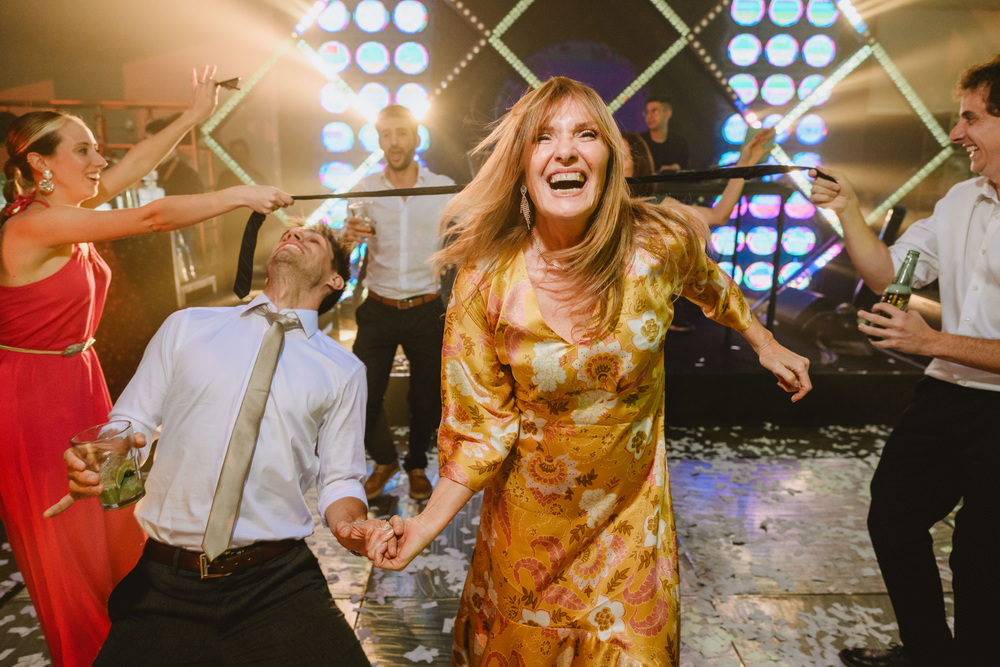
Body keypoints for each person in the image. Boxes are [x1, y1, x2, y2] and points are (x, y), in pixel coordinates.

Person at [364, 77, 812, 665]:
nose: (566, 151)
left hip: (632, 534)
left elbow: (708, 282)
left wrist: (763, 339)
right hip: (525, 546)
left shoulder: (659, 243)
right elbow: (481, 432)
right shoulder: (486, 280)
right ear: (522, 164)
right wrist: (422, 527)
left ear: (609, 159)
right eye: (544, 137)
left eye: (586, 134)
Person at [0, 64, 291, 667]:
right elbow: (152, 216)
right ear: (40, 164)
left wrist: (191, 116)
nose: (100, 158)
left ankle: (147, 648)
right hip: (31, 404)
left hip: (83, 383)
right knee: (73, 556)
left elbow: (134, 171)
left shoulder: (63, 212)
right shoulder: (34, 226)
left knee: (121, 532)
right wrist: (239, 195)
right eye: (84, 149)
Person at [50, 224, 380, 666]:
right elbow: (132, 421)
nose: (294, 235)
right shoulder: (187, 326)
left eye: (313, 239)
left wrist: (350, 528)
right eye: (289, 231)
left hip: (278, 580)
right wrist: (104, 458)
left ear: (335, 280)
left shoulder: (343, 370)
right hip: (166, 580)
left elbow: (340, 479)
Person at [811, 54, 1000, 667]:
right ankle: (928, 654)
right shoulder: (961, 199)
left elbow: (933, 336)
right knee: (892, 515)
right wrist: (847, 211)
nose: (955, 133)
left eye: (970, 118)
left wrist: (932, 342)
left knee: (980, 554)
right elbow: (890, 270)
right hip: (947, 394)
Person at [342, 104, 455, 501]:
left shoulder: (443, 186)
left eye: (401, 133)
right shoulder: (365, 191)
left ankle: (417, 466)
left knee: (426, 399)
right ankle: (384, 459)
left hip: (426, 308)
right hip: (378, 306)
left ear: (415, 137)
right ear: (378, 140)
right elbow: (349, 244)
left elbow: (475, 229)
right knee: (360, 393)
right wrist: (346, 238)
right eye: (386, 134)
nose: (394, 142)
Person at [640, 96, 690, 173]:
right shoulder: (640, 143)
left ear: (668, 114)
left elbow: (687, 171)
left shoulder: (680, 143)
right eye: (647, 112)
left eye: (655, 111)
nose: (649, 117)